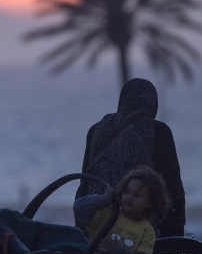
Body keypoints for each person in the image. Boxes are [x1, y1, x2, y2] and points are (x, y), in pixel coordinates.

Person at [76, 78, 185, 237]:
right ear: (153, 102)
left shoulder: (97, 129)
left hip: (94, 226)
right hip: (136, 230)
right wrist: (175, 237)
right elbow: (171, 187)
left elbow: (85, 181)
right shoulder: (158, 131)